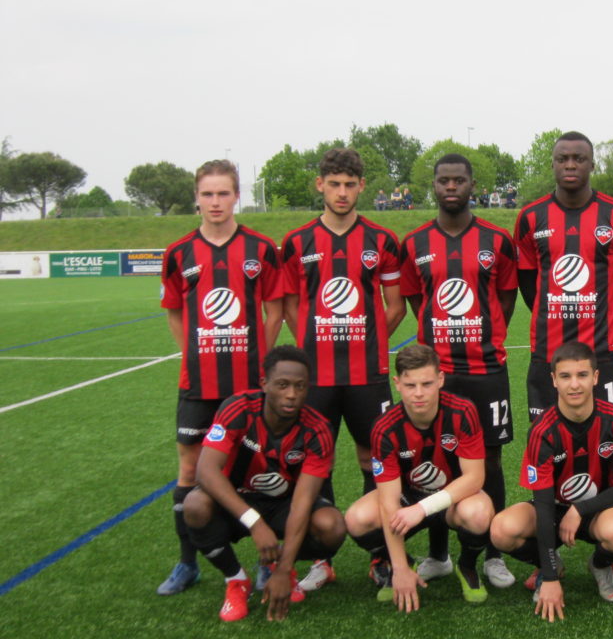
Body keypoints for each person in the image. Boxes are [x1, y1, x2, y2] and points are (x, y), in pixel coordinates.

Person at [279, 148, 404, 591]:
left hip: (367, 374)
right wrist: (314, 343)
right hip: (317, 377)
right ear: (320, 185)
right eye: (334, 184)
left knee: (376, 457)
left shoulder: (382, 241)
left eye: (350, 185)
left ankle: (379, 553)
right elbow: (293, 305)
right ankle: (322, 558)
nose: (342, 192)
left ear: (362, 187)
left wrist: (369, 338)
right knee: (317, 461)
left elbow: (395, 305)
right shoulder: (296, 243)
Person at [156, 159, 283, 596]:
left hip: (248, 385)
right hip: (198, 384)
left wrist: (258, 359)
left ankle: (264, 563)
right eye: (207, 194)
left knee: (254, 470)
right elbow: (175, 311)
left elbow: (275, 309)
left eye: (223, 193)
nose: (215, 202)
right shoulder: (178, 253)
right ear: (197, 197)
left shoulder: (261, 249)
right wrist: (192, 352)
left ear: (236, 197)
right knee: (190, 469)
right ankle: (186, 562)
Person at [398, 153, 518, 589]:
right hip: (437, 372)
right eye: (444, 180)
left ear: (472, 185)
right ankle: (438, 554)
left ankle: (492, 556)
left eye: (459, 180)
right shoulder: (413, 243)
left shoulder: (496, 240)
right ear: (434, 185)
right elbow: (417, 301)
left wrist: (482, 334)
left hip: (486, 370)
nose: (451, 187)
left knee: (490, 458)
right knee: (435, 460)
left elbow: (504, 299)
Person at [182, 345, 346, 622]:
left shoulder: (318, 429)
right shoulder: (238, 408)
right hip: (239, 502)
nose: (292, 395)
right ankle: (236, 580)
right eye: (282, 385)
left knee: (332, 526)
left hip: (285, 506)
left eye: (300, 386)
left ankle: (280, 568)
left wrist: (283, 569)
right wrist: (254, 522)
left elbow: (302, 503)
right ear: (264, 383)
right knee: (195, 504)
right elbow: (206, 471)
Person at [489, 342, 613, 622]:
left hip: (599, 510)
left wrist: (581, 509)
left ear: (595, 378)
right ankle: (549, 564)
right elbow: (544, 505)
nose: (574, 385)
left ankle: (599, 565)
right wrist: (549, 578)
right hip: (555, 509)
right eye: (565, 376)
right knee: (502, 530)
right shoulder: (542, 431)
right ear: (553, 381)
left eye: (582, 375)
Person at [344, 344, 495, 608]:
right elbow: (388, 501)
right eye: (410, 385)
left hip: (453, 498)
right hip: (408, 498)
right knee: (357, 519)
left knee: (480, 512)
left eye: (426, 383)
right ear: (397, 384)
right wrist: (400, 567)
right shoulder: (384, 428)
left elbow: (474, 478)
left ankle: (466, 566)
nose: (419, 393)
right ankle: (401, 562)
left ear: (440, 379)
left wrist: (423, 509)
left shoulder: (462, 411)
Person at [513, 130, 613, 424]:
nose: (570, 165)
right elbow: (528, 283)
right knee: (547, 438)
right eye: (562, 159)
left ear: (592, 165)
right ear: (553, 164)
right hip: (548, 349)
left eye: (579, 159)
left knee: (611, 436)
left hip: (603, 352)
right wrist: (551, 314)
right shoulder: (531, 217)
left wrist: (607, 323)